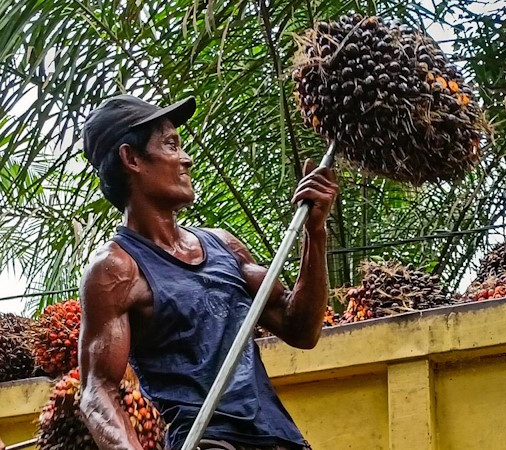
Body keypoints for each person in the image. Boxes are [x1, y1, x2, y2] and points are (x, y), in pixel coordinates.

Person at [77, 95, 338, 450]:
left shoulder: (224, 246)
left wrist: (316, 232)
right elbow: (98, 391)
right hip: (210, 443)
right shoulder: (116, 270)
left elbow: (301, 329)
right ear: (132, 158)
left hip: (281, 439)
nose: (187, 158)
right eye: (171, 145)